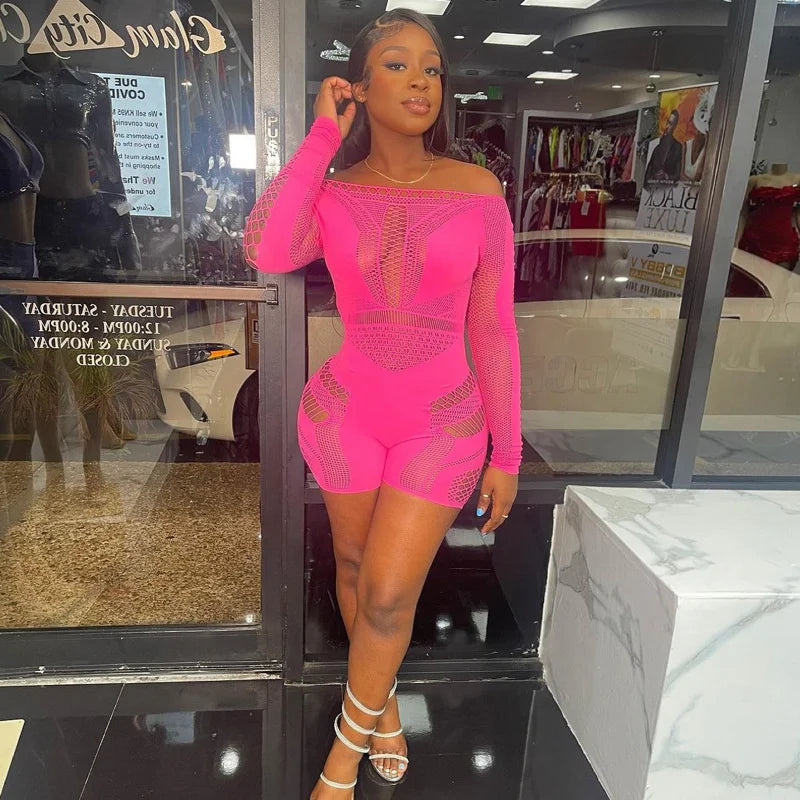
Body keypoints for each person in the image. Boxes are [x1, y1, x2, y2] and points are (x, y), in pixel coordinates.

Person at [243, 10, 521, 799]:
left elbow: (494, 328)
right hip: (344, 415)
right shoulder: (333, 192)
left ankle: (340, 761)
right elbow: (266, 247)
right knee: (356, 570)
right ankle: (382, 709)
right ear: (359, 87)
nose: (421, 81)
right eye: (397, 64)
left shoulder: (478, 190)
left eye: (432, 67)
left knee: (392, 594)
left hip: (444, 424)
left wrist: (506, 450)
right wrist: (320, 139)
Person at [644, 109, 682, 188]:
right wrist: (653, 178)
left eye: (671, 124)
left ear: (675, 126)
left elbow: (678, 175)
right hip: (652, 189)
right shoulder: (656, 146)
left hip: (667, 190)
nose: (667, 126)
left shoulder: (677, 147)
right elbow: (647, 174)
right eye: (667, 122)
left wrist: (666, 176)